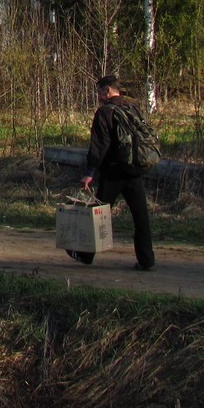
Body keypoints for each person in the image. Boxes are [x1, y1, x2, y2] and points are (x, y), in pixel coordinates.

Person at [78, 75, 156, 271]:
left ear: (106, 90)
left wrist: (90, 171)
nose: (98, 96)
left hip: (113, 173)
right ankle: (146, 260)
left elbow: (99, 146)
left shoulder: (104, 113)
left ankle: (85, 255)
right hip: (134, 170)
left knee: (97, 214)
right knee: (141, 217)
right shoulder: (132, 108)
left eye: (99, 91)